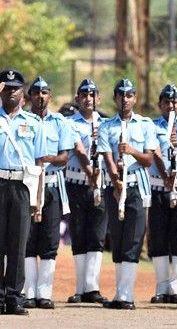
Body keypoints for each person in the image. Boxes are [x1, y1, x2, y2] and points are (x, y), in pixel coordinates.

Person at [98, 78, 157, 310]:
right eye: (121, 95)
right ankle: (119, 293)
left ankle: (127, 295)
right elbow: (107, 158)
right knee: (119, 239)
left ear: (135, 98)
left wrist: (131, 150)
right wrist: (115, 182)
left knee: (133, 239)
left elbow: (149, 159)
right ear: (115, 98)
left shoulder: (145, 125)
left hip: (137, 187)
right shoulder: (106, 126)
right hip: (115, 188)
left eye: (130, 95)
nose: (125, 99)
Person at [23, 77, 74, 309]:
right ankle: (28, 291)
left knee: (50, 239)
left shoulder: (60, 122)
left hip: (52, 185)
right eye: (36, 93)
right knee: (27, 238)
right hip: (28, 184)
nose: (40, 97)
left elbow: (64, 158)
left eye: (44, 93)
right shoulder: (23, 120)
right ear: (29, 96)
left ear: (50, 96)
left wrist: (47, 159)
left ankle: (45, 292)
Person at [0, 69, 46, 315]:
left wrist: (38, 198)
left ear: (23, 93)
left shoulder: (33, 123)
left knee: (18, 244)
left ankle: (13, 297)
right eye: (6, 87)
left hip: (21, 185)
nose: (10, 92)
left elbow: (39, 163)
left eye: (15, 88)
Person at [147, 84, 177, 305]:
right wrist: (165, 173)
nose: (171, 106)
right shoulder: (152, 126)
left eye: (174, 102)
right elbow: (153, 149)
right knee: (159, 238)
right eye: (166, 102)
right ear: (160, 105)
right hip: (158, 186)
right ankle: (162, 286)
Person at [64, 78, 108, 304]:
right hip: (77, 183)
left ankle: (93, 286)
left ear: (98, 98)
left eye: (92, 95)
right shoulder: (70, 123)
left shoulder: (107, 123)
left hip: (100, 184)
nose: (88, 99)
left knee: (97, 236)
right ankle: (81, 287)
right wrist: (91, 172)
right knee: (79, 233)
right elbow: (79, 150)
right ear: (77, 99)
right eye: (83, 95)